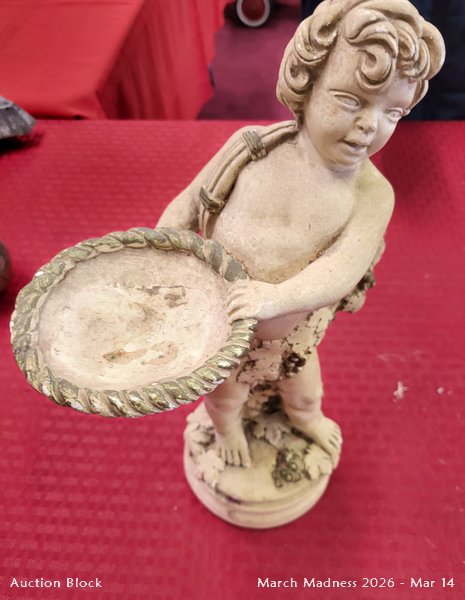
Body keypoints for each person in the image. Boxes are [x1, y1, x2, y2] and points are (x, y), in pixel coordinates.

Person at [157, 0, 444, 470]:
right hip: (219, 323)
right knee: (224, 398)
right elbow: (187, 205)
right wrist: (160, 256)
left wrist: (275, 298)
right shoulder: (251, 148)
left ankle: (305, 418)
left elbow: (341, 270)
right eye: (350, 100)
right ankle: (226, 429)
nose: (369, 125)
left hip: (289, 331)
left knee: (306, 394)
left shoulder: (372, 194)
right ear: (304, 85)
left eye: (393, 112)